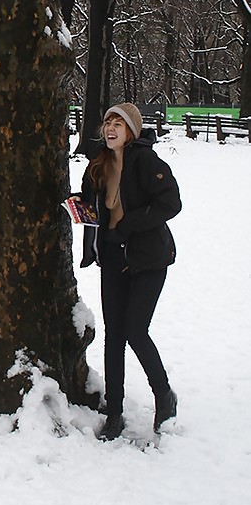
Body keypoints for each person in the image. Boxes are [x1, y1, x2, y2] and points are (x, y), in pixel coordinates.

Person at [79, 102, 181, 440]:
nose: (110, 129)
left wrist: (129, 225)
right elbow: (92, 201)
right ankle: (115, 411)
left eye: (118, 124)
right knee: (114, 337)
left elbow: (171, 203)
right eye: (107, 122)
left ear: (131, 131)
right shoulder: (98, 163)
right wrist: (81, 206)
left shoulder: (147, 161)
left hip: (149, 257)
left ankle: (164, 396)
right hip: (112, 257)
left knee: (136, 331)